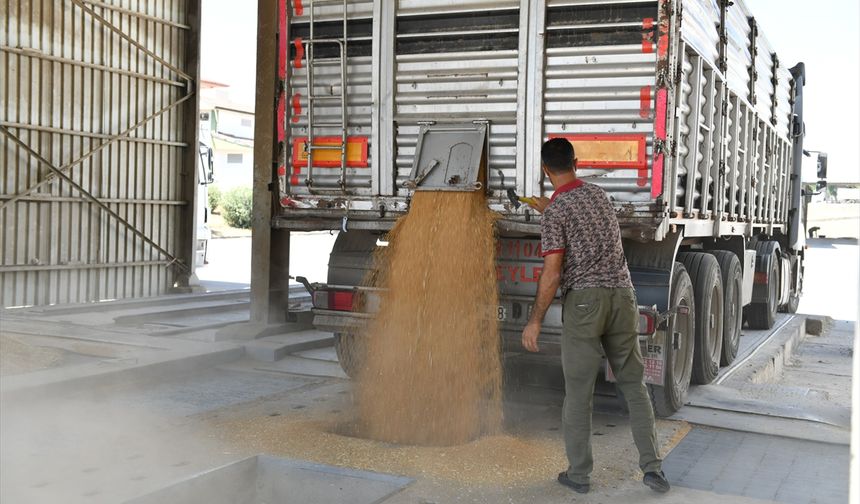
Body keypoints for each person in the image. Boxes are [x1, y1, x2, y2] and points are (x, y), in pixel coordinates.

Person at [521, 137, 670, 494]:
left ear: (545, 170)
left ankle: (579, 474)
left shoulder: (557, 212)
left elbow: (553, 272)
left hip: (586, 304)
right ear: (576, 162)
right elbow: (583, 221)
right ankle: (653, 469)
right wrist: (551, 209)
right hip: (622, 298)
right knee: (634, 384)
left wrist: (535, 319)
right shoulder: (598, 196)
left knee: (579, 393)